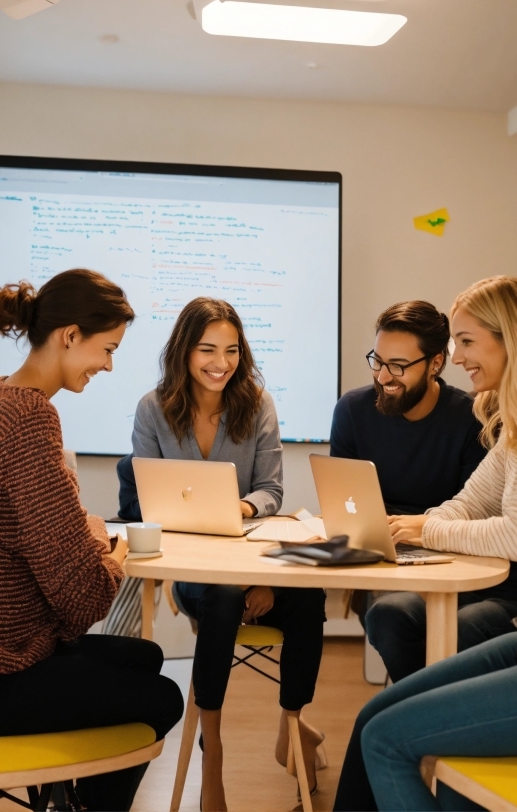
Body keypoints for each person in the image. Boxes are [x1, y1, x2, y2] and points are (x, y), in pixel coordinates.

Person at [334, 276, 517, 812]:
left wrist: (424, 527)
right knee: (376, 715)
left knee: (386, 739)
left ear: (509, 338)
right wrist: (423, 523)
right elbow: (469, 503)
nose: (455, 356)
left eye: (465, 341)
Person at [0, 269, 184, 812]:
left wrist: (87, 536)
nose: (109, 365)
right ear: (70, 336)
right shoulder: (27, 420)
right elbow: (83, 596)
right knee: (162, 696)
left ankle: (70, 802)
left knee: (145, 656)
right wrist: (110, 556)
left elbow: (51, 530)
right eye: (107, 348)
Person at [125, 296, 326, 812]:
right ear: (184, 351)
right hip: (200, 575)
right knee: (221, 596)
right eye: (208, 349)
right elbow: (146, 497)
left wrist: (240, 509)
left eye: (232, 350)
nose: (221, 362)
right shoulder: (153, 408)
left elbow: (271, 493)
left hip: (253, 559)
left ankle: (292, 719)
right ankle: (211, 750)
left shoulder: (257, 403)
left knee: (308, 597)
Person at [330, 301, 517, 682]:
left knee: (466, 626)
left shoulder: (475, 417)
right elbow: (346, 503)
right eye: (378, 361)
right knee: (389, 615)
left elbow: (479, 511)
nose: (384, 376)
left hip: (462, 561)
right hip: (387, 557)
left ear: (435, 363)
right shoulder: (353, 411)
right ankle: (419, 713)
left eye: (399, 366)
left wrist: (422, 528)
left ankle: (424, 717)